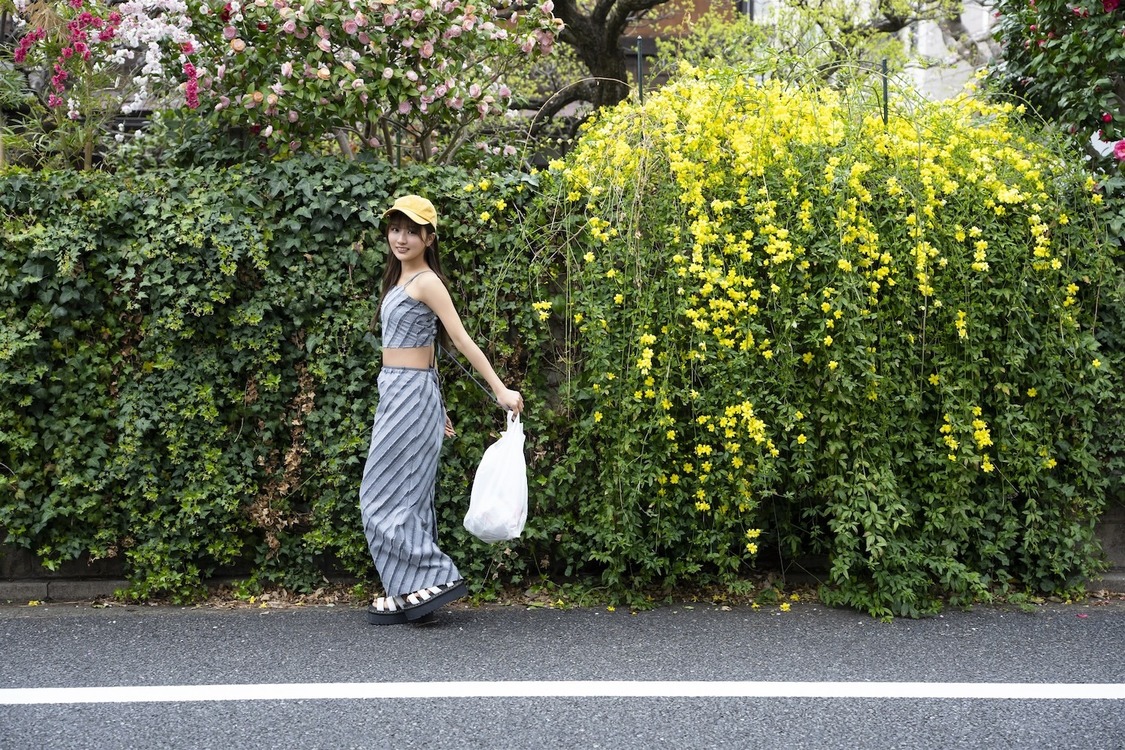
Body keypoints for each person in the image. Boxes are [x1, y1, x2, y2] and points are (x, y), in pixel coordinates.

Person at [361, 194, 524, 624]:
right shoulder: (399, 280)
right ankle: (407, 591)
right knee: (403, 498)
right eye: (395, 229)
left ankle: (431, 578)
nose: (401, 238)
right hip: (404, 394)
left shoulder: (427, 282)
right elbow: (427, 352)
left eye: (412, 231)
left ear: (429, 238)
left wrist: (500, 389)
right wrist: (437, 405)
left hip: (408, 396)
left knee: (379, 497)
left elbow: (461, 341)